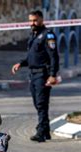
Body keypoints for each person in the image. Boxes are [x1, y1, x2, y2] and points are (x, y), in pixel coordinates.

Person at [12, 10, 60, 142]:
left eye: (35, 20)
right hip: (33, 75)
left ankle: (41, 132)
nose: (32, 23)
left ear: (41, 20)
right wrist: (21, 63)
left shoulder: (48, 35)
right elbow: (32, 57)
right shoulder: (33, 35)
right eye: (30, 20)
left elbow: (54, 56)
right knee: (37, 103)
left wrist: (52, 75)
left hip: (42, 75)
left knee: (41, 104)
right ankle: (46, 130)